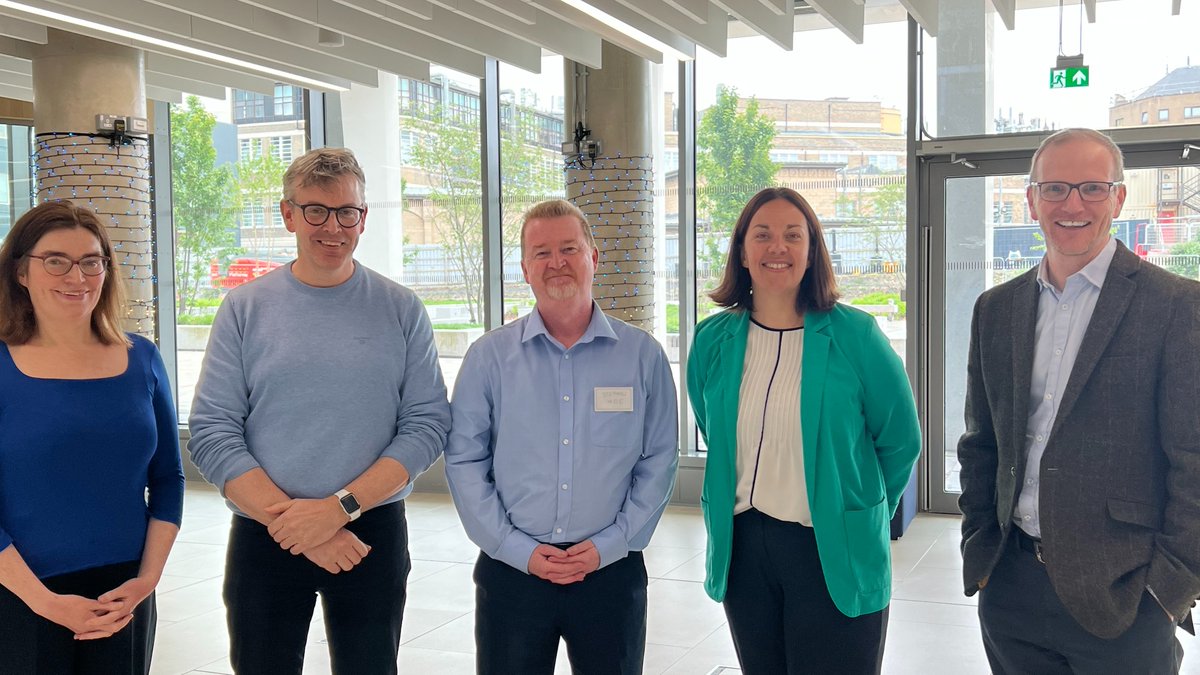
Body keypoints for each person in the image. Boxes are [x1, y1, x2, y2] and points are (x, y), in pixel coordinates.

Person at [188, 148, 450, 675]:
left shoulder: (401, 309)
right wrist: (298, 525)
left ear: (363, 218)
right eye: (316, 211)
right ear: (288, 215)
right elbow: (213, 431)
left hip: (368, 533)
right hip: (265, 534)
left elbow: (425, 425)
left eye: (346, 212)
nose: (333, 227)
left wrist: (338, 511)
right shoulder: (244, 309)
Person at [958, 128, 1200, 674]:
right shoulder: (995, 309)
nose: (1072, 205)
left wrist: (1167, 590)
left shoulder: (1177, 306)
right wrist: (981, 552)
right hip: (1011, 586)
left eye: (1092, 188)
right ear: (1031, 200)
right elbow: (982, 444)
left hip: (1124, 596)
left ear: (1118, 197)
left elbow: (1195, 462)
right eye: (1055, 189)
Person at [687, 186, 921, 675]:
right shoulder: (713, 340)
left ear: (813, 250)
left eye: (793, 236)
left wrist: (861, 507)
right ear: (742, 250)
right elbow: (715, 429)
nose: (778, 248)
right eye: (763, 235)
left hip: (830, 542)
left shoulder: (855, 336)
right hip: (744, 545)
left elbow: (900, 440)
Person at [444, 198, 678, 675]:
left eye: (569, 248)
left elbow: (659, 460)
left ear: (594, 257)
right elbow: (465, 462)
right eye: (542, 252)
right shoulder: (488, 358)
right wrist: (515, 549)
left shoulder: (642, 356)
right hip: (513, 573)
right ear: (526, 269)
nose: (557, 263)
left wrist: (610, 544)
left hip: (611, 573)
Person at [0, 201, 184, 674]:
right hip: (19, 593)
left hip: (123, 594)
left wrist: (147, 580)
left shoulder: (141, 358)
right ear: (21, 271)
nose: (76, 277)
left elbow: (168, 479)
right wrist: (47, 603)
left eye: (91, 261)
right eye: (55, 260)